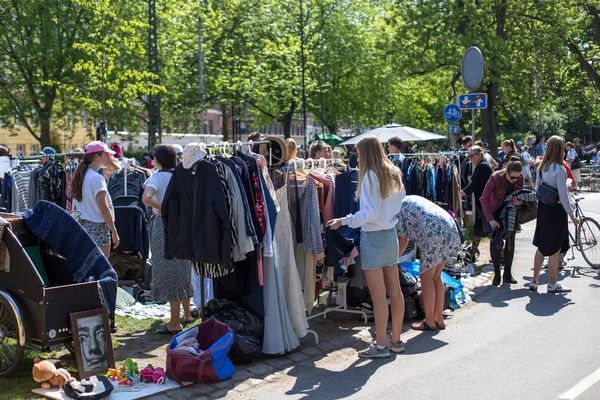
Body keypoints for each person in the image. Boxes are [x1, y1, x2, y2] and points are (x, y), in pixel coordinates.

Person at [328, 135, 406, 358]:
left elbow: (367, 213)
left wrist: (343, 221)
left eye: (359, 154)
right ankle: (396, 340)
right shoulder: (393, 172)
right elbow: (400, 202)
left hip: (373, 236)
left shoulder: (370, 175)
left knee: (378, 295)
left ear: (365, 153)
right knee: (395, 290)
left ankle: (380, 345)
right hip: (390, 233)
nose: (357, 158)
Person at [142, 144, 194, 334]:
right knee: (183, 267)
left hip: (165, 227)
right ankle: (187, 314)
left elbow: (146, 198)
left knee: (170, 268)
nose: (152, 160)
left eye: (154, 158)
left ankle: (174, 322)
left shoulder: (156, 177)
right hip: (183, 226)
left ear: (159, 160)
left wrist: (162, 208)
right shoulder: (181, 175)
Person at [396, 196, 461, 331]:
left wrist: (394, 260)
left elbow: (403, 241)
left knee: (426, 277)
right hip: (450, 227)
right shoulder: (409, 199)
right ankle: (439, 319)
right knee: (436, 276)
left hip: (434, 233)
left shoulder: (397, 209)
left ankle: (429, 321)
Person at [531, 136, 578, 293]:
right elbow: (563, 196)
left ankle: (534, 281)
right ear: (560, 149)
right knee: (555, 248)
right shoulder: (559, 169)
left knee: (542, 246)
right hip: (556, 211)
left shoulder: (541, 168)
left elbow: (538, 189)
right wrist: (571, 215)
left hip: (543, 209)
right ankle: (552, 284)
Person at [71, 141, 120, 258]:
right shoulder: (97, 178)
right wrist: (114, 231)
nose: (109, 158)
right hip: (98, 229)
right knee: (101, 270)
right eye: (106, 155)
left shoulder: (81, 176)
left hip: (84, 227)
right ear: (96, 156)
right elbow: (104, 209)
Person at [480, 159, 524, 285]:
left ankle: (508, 274)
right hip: (494, 211)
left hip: (510, 212)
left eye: (518, 177)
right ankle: (497, 274)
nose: (515, 180)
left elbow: (521, 194)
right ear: (507, 171)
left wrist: (520, 202)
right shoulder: (495, 177)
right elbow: (483, 199)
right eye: (513, 177)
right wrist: (491, 220)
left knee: (510, 242)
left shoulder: (519, 178)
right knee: (495, 242)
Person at [461, 146, 493, 268]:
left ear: (480, 154)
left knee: (490, 231)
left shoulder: (483, 167)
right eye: (468, 156)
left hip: (487, 205)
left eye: (472, 155)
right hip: (481, 205)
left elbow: (473, 185)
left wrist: (459, 193)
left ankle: (498, 256)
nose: (470, 158)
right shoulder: (479, 167)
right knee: (478, 229)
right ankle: (472, 254)